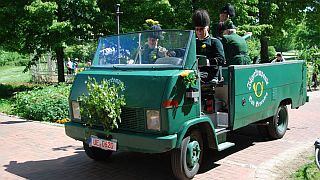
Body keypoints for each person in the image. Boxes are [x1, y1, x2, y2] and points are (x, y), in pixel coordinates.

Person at [192, 9, 225, 83]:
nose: (199, 32)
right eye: (197, 29)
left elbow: (221, 59)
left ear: (207, 28)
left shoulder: (215, 42)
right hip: (195, 71)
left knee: (194, 78)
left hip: (210, 73)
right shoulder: (193, 42)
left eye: (201, 29)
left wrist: (205, 62)